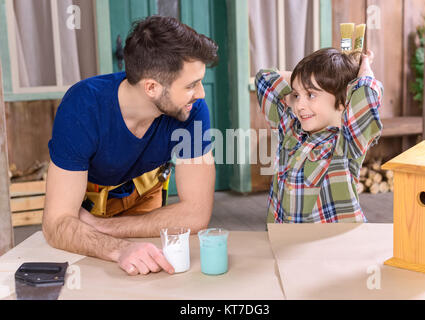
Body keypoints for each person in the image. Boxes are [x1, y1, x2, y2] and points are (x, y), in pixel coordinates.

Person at [42, 16, 218, 276]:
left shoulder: (191, 110)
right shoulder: (83, 107)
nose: (201, 93)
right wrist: (118, 248)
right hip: (89, 197)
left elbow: (196, 215)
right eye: (191, 85)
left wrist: (103, 228)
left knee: (150, 276)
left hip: (142, 193)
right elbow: (56, 223)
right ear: (151, 87)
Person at [255, 48, 383, 223]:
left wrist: (363, 68)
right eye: (296, 95)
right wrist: (308, 78)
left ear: (343, 99)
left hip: (333, 246)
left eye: (311, 95)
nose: (299, 105)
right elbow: (265, 79)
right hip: (285, 243)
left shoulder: (346, 143)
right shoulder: (290, 129)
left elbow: (366, 98)